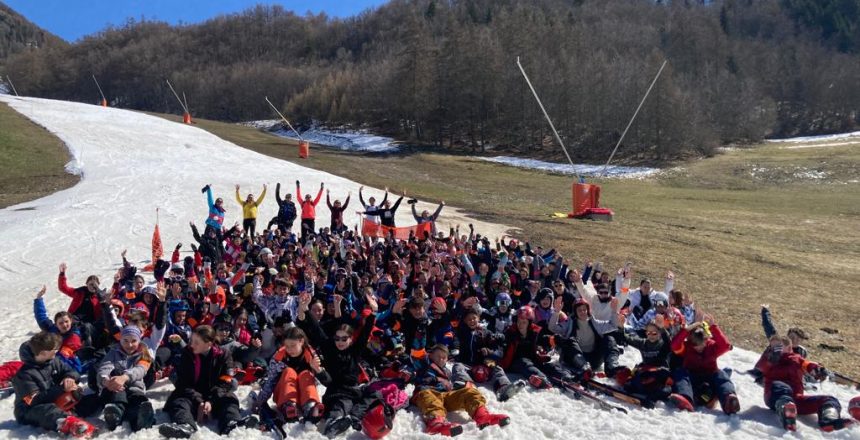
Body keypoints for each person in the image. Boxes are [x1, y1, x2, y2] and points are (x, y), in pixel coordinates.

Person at [159, 325, 257, 438]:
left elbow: (226, 381)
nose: (191, 345)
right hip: (192, 395)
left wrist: (211, 401)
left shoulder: (223, 355)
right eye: (191, 341)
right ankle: (185, 425)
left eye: (196, 342)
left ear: (208, 344)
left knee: (229, 399)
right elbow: (183, 383)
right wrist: (199, 401)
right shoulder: (187, 354)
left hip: (216, 395)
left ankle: (231, 423)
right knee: (179, 401)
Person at [758, 334, 852, 431]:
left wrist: (817, 369)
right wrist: (770, 360)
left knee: (829, 399)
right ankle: (787, 414)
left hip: (796, 399)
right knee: (780, 386)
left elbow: (807, 365)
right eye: (772, 347)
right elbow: (761, 368)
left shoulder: (796, 359)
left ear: (789, 347)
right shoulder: (769, 359)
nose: (774, 349)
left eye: (778, 347)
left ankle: (829, 420)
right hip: (774, 396)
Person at [12, 331, 96, 438]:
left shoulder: (53, 361)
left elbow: (71, 371)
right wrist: (61, 389)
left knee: (85, 399)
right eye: (54, 350)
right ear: (43, 353)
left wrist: (69, 378)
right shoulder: (23, 375)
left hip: (57, 400)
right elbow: (34, 400)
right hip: (29, 411)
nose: (57, 351)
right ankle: (73, 425)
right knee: (48, 410)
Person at [413, 344, 510, 436]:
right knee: (430, 398)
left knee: (469, 391)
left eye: (444, 357)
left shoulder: (446, 372)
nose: (441, 359)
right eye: (438, 356)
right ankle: (436, 424)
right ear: (430, 355)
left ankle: (482, 416)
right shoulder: (424, 364)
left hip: (444, 396)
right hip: (426, 393)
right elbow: (416, 351)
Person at [254, 327, 328, 424]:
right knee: (289, 371)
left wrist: (317, 370)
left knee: (305, 373)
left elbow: (325, 381)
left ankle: (310, 406)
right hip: (283, 393)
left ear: (301, 341)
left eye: (293, 345)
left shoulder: (311, 356)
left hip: (304, 394)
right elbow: (270, 382)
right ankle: (289, 407)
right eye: (287, 346)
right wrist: (260, 402)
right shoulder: (278, 358)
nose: (289, 349)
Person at [670, 316, 739, 415]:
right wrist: (687, 329)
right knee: (681, 373)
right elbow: (674, 346)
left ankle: (729, 400)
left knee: (721, 374)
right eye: (695, 345)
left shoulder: (711, 347)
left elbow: (725, 345)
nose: (698, 347)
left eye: (701, 344)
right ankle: (686, 398)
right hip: (693, 379)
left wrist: (713, 327)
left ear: (706, 340)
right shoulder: (686, 348)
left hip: (710, 377)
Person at [96, 326, 155, 432]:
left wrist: (124, 377)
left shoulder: (144, 354)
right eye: (125, 340)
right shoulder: (113, 352)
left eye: (134, 341)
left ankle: (140, 417)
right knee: (116, 377)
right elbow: (104, 368)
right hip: (114, 390)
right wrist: (106, 381)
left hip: (135, 389)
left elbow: (140, 369)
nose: (129, 345)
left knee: (137, 398)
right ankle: (115, 413)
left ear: (139, 340)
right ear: (120, 339)